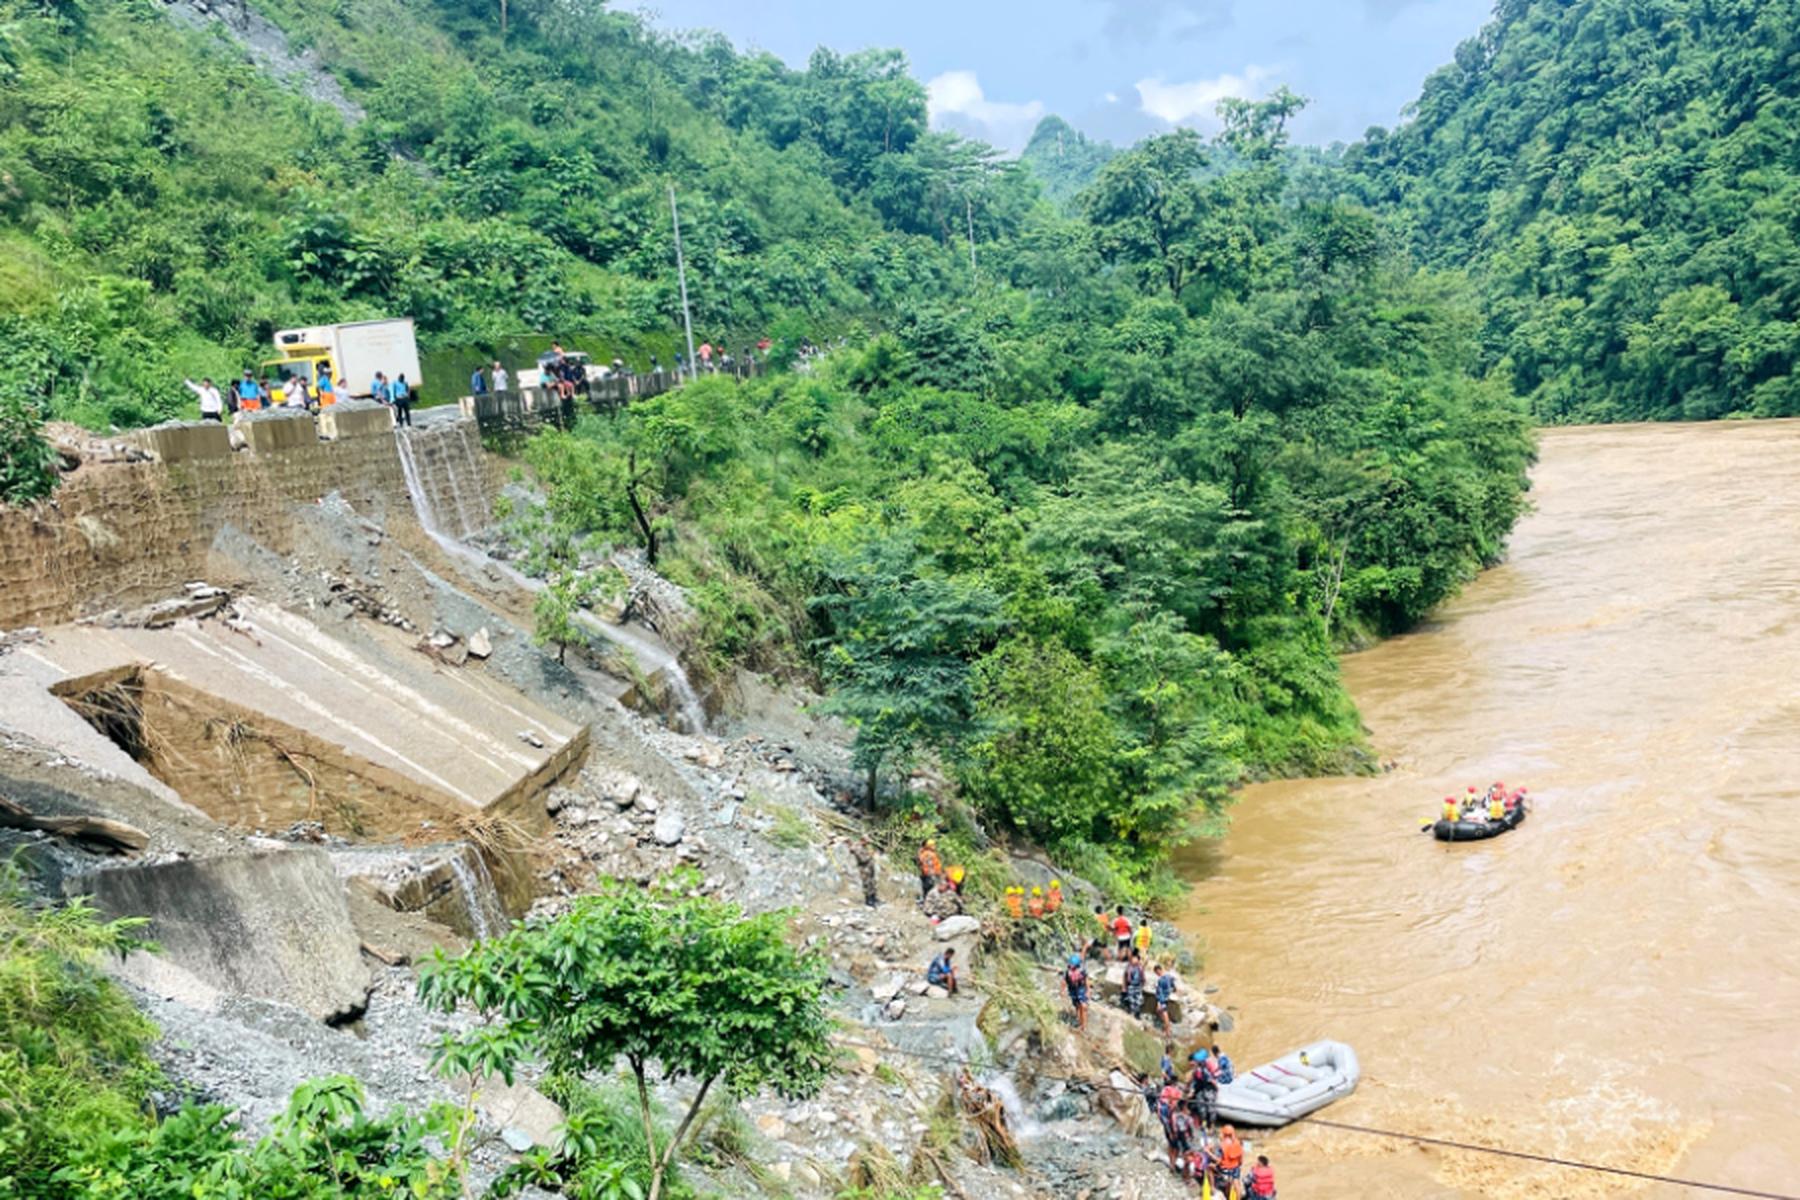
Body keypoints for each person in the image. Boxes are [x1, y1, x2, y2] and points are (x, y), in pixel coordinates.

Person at [847, 835, 878, 907]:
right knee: (867, 884)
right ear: (863, 840)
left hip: (869, 868)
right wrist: (870, 855)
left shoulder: (864, 847)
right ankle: (868, 900)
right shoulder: (858, 849)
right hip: (864, 869)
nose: (868, 844)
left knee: (872, 883)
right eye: (867, 842)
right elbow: (862, 859)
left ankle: (873, 898)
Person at [1215, 1125, 1245, 1195]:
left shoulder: (1222, 1145)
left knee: (1228, 1183)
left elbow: (1219, 1161)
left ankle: (1226, 1196)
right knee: (1236, 1184)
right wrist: (1239, 1164)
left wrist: (1208, 1152)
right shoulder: (1238, 1143)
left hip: (1225, 1168)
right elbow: (1241, 1158)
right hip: (1235, 1167)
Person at [1063, 954, 1089, 1031]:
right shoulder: (1067, 972)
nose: (1070, 966)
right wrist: (1063, 990)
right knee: (1077, 1005)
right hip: (1072, 990)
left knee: (1083, 1006)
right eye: (1070, 964)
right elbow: (1064, 981)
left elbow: (1087, 981)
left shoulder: (1082, 971)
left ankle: (1083, 1026)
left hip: (1081, 989)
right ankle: (1078, 1018)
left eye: (1072, 965)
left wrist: (1088, 991)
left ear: (1077, 965)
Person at [1154, 963, 1178, 1036]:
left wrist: (1159, 1003)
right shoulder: (1169, 977)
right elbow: (1174, 988)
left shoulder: (1161, 980)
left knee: (1164, 1014)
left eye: (1156, 972)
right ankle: (1166, 1026)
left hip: (1163, 999)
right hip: (1167, 997)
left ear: (1159, 970)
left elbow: (1160, 993)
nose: (1156, 974)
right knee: (1160, 1012)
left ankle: (1168, 1030)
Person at [1121, 950, 1146, 1016]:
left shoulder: (1140, 968)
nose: (1133, 960)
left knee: (1138, 999)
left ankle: (1137, 1012)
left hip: (1138, 985)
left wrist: (1143, 984)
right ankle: (1131, 1011)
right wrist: (1124, 987)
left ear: (1138, 960)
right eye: (1132, 959)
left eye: (1135, 959)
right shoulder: (1129, 967)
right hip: (1131, 985)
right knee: (1131, 998)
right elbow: (1125, 977)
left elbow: (1143, 977)